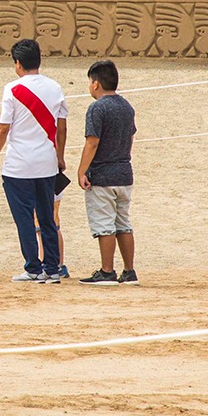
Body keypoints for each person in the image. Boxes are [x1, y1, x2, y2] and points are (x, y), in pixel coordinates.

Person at [0, 38, 68, 283]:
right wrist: (60, 156)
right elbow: (61, 127)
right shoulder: (55, 87)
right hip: (46, 162)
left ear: (18, 63)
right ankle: (52, 269)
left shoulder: (12, 89)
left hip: (19, 165)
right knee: (47, 217)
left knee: (24, 218)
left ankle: (33, 267)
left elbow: (3, 128)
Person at [76, 60, 139, 285]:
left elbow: (92, 142)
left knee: (104, 224)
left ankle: (107, 270)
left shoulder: (97, 108)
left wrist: (82, 170)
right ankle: (129, 271)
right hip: (124, 172)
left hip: (103, 175)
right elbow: (130, 137)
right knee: (123, 222)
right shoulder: (126, 106)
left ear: (95, 84)